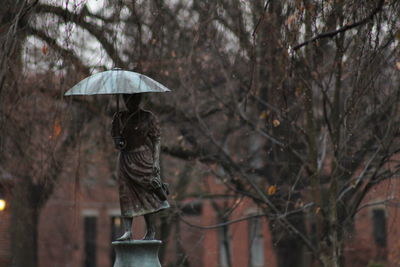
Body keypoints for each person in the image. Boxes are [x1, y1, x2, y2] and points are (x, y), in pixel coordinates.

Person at [111, 94, 169, 241]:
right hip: (125, 159)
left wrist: (156, 162)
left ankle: (151, 230)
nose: (130, 103)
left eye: (134, 100)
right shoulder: (119, 117)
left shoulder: (148, 117)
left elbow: (156, 140)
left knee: (147, 194)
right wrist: (119, 141)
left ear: (139, 100)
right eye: (127, 100)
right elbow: (116, 141)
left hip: (143, 158)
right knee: (125, 194)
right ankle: (128, 231)